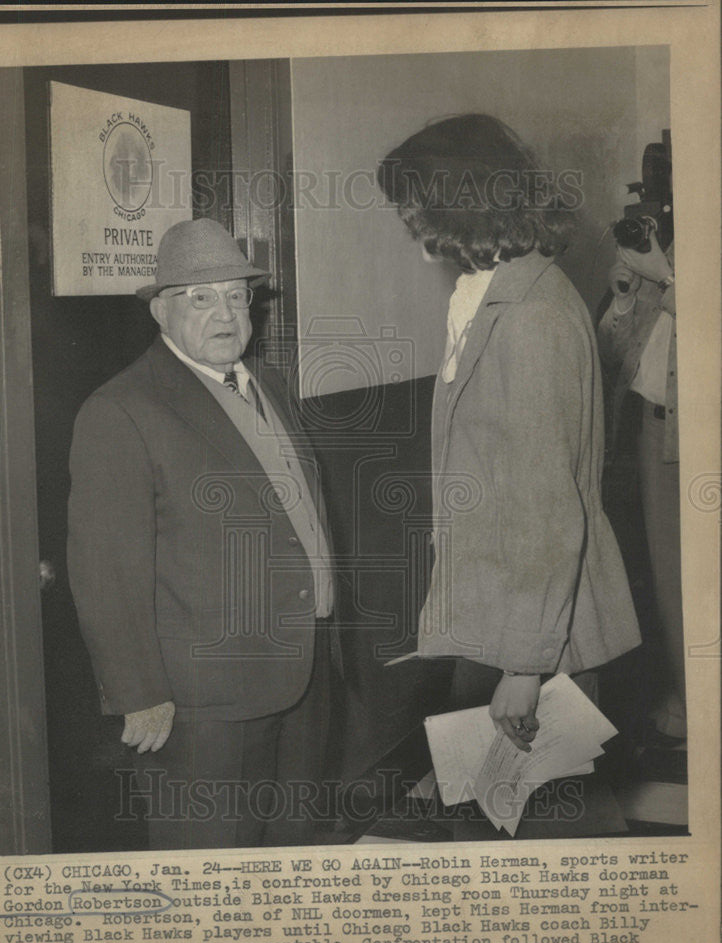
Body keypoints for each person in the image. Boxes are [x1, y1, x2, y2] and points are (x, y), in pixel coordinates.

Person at [67, 218, 339, 849]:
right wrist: (141, 694)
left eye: (237, 297)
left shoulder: (266, 383)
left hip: (302, 675)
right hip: (203, 705)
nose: (226, 314)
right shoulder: (121, 411)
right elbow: (105, 569)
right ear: (161, 312)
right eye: (201, 298)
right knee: (209, 880)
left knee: (293, 858)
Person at [377, 114, 641, 750]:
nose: (420, 244)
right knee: (505, 818)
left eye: (422, 221)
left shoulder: (531, 318)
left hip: (533, 639)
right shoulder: (491, 293)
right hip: (504, 618)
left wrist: (524, 668)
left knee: (543, 829)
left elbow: (548, 508)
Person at [597, 230, 684, 741]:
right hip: (655, 428)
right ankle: (690, 698)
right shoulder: (666, 245)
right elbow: (616, 354)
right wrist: (627, 295)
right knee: (668, 572)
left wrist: (665, 277)